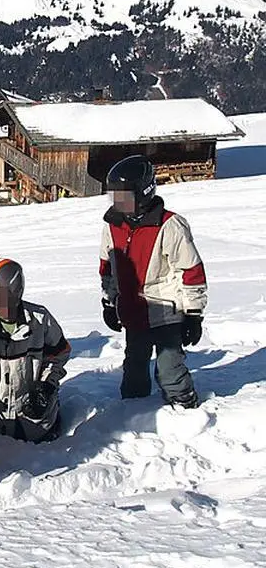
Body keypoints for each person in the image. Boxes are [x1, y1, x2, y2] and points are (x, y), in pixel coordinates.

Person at [100, 155, 206, 408]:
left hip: (166, 311)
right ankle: (132, 411)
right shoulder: (112, 226)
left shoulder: (170, 226)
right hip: (132, 311)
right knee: (134, 367)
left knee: (169, 369)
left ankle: (185, 406)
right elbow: (108, 269)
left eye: (124, 197)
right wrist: (109, 302)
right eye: (114, 196)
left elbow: (191, 271)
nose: (118, 203)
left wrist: (193, 314)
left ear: (143, 193)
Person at [0, 258, 71, 444]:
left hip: (36, 421)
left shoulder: (40, 319)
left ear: (15, 293)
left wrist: (46, 387)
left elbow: (59, 355)